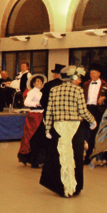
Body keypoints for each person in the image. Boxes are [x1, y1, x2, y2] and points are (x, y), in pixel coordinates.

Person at [40, 66, 96, 198]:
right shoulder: (78, 90)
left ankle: (60, 186)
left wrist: (47, 128)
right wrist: (92, 121)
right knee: (75, 156)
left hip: (59, 127)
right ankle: (74, 187)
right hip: (75, 128)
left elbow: (49, 111)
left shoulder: (54, 90)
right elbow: (82, 111)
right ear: (74, 78)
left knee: (60, 155)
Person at [83, 63, 107, 164]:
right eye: (90, 73)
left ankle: (102, 157)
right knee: (87, 134)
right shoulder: (86, 84)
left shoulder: (106, 85)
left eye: (94, 73)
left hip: (98, 110)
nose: (92, 75)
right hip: (87, 110)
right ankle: (87, 156)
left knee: (99, 134)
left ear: (99, 74)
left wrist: (103, 100)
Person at [17, 74, 47, 168]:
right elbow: (26, 102)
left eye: (41, 81)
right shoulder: (32, 92)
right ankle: (31, 157)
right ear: (33, 83)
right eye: (38, 81)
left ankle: (40, 159)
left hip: (42, 115)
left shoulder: (43, 92)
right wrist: (37, 103)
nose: (40, 83)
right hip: (34, 116)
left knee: (42, 138)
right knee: (32, 136)